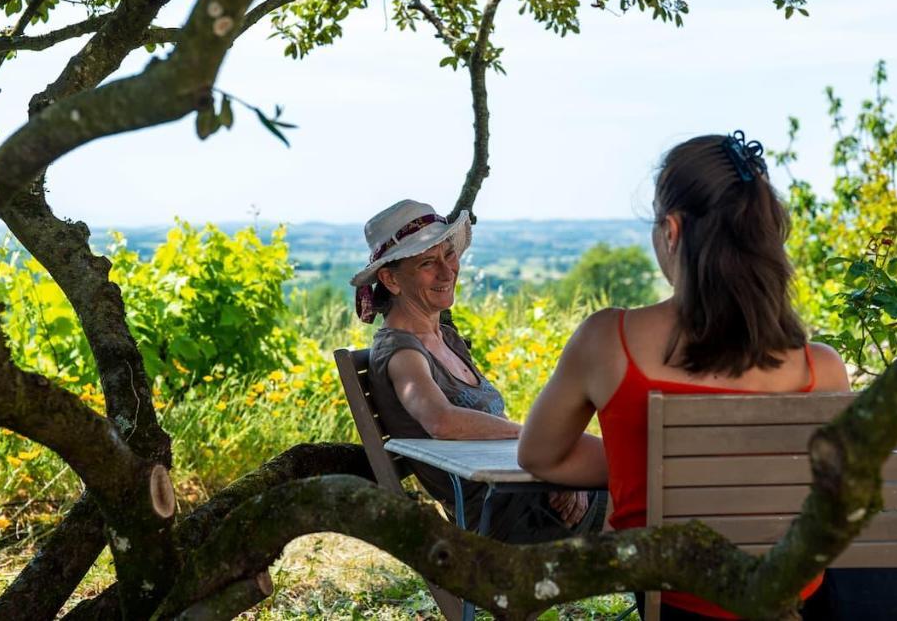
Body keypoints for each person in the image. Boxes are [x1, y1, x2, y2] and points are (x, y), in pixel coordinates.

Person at [516, 132, 851, 620]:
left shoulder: (608, 341)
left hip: (675, 604)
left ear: (671, 230)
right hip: (795, 604)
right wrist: (694, 463)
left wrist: (662, 466)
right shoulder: (822, 369)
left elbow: (539, 454)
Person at [352, 198, 605, 544]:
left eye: (448, 255)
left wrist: (557, 467)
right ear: (391, 280)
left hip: (525, 493)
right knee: (649, 489)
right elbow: (441, 421)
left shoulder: (445, 339)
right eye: (428, 263)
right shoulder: (402, 353)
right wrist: (538, 443)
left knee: (645, 474)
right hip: (504, 522)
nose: (447, 271)